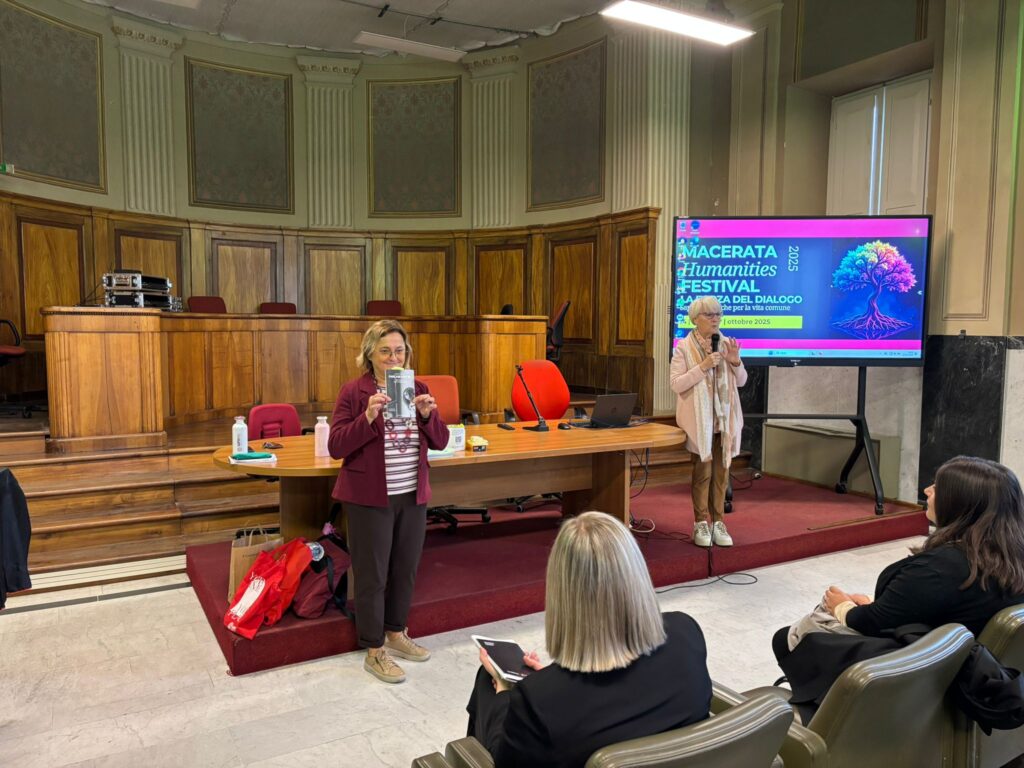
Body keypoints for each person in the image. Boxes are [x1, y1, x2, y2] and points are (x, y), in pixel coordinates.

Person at [776, 456, 1024, 716]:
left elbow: (873, 622)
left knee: (787, 638)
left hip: (932, 678)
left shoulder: (942, 568)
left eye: (937, 487)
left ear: (960, 502)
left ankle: (830, 718)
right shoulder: (1008, 556)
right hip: (978, 674)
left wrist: (843, 607)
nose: (927, 490)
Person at [466, 512, 711, 768]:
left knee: (487, 682)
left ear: (563, 595)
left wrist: (506, 694)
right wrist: (549, 682)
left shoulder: (536, 702)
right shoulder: (686, 634)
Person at [328, 318, 450, 684]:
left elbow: (441, 441)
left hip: (411, 493)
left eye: (399, 351)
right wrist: (367, 416)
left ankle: (396, 632)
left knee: (405, 567)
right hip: (369, 498)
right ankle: (374, 649)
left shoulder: (418, 388)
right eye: (385, 351)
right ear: (370, 354)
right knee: (372, 574)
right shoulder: (354, 392)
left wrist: (427, 416)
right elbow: (336, 446)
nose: (393, 358)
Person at [670, 295, 746, 548]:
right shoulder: (683, 347)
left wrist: (735, 362)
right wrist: (703, 366)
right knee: (703, 472)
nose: (715, 319)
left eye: (718, 314)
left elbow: (742, 381)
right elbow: (676, 384)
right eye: (709, 315)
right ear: (695, 319)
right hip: (699, 422)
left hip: (723, 421)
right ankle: (701, 522)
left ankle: (718, 522)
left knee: (722, 473)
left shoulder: (725, 344)